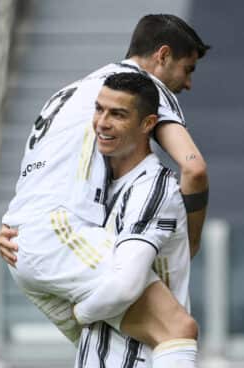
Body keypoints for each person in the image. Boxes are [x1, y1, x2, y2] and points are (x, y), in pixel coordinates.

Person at [0, 14, 210, 367]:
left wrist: (12, 231)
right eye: (187, 69)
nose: (187, 84)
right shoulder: (144, 90)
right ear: (162, 55)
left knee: (108, 345)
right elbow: (193, 167)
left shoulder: (69, 93)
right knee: (176, 328)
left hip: (22, 240)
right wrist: (190, 244)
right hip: (58, 235)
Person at [73, 72, 195, 367]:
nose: (102, 123)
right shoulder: (96, 182)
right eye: (99, 109)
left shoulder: (153, 188)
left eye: (118, 114)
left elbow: (124, 287)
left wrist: (77, 313)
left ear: (147, 124)